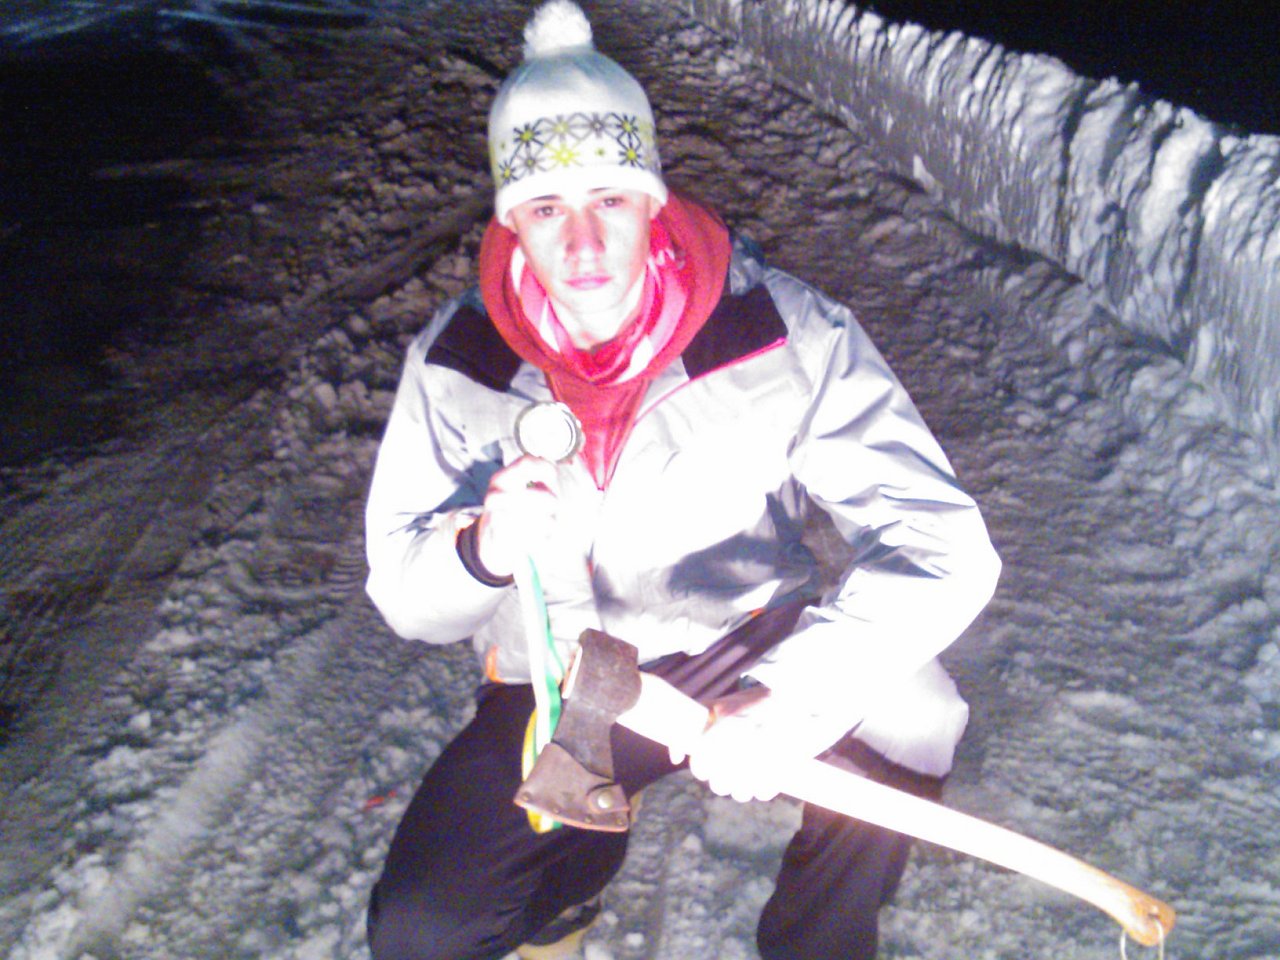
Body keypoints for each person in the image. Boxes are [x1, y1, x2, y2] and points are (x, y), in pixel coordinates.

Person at [363, 2, 1000, 958]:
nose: (583, 246)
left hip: (743, 638)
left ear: (652, 200)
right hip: (559, 677)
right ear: (510, 220)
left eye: (610, 200)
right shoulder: (459, 362)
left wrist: (788, 696)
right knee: (423, 930)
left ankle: (819, 943)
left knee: (915, 715)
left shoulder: (780, 332)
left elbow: (948, 549)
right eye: (547, 208)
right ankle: (565, 893)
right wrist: (481, 551)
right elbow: (407, 600)